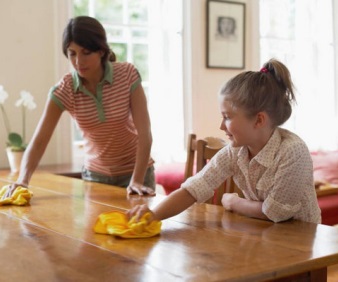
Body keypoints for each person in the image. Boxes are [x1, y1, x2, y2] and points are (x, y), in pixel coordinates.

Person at [128, 59, 321, 224]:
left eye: (227, 117)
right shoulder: (235, 151)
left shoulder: (292, 151)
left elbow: (275, 213)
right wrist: (153, 215)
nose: (221, 126)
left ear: (259, 120)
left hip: (301, 244)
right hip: (267, 236)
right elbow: (195, 188)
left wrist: (232, 202)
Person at [4, 16, 155, 198]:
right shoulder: (65, 90)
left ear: (100, 50)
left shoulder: (127, 74)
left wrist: (137, 180)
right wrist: (23, 180)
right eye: (72, 53)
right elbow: (39, 142)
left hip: (137, 174)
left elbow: (145, 133)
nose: (78, 61)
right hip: (96, 178)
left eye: (85, 52)